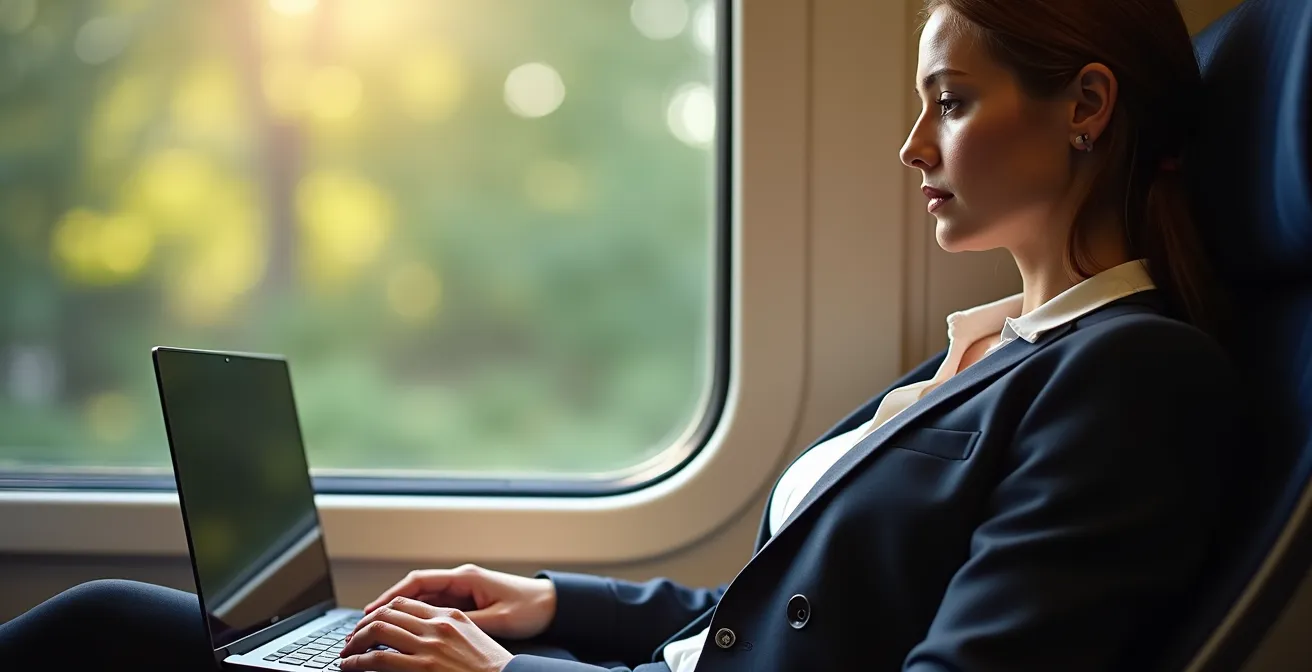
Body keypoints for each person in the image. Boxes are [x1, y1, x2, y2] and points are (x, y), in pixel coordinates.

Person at [0, 0, 1238, 670]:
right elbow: (775, 616)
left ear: (1084, 107)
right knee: (115, 620)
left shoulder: (1132, 377)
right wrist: (552, 605)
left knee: (106, 629)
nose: (912, 150)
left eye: (950, 105)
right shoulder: (981, 352)